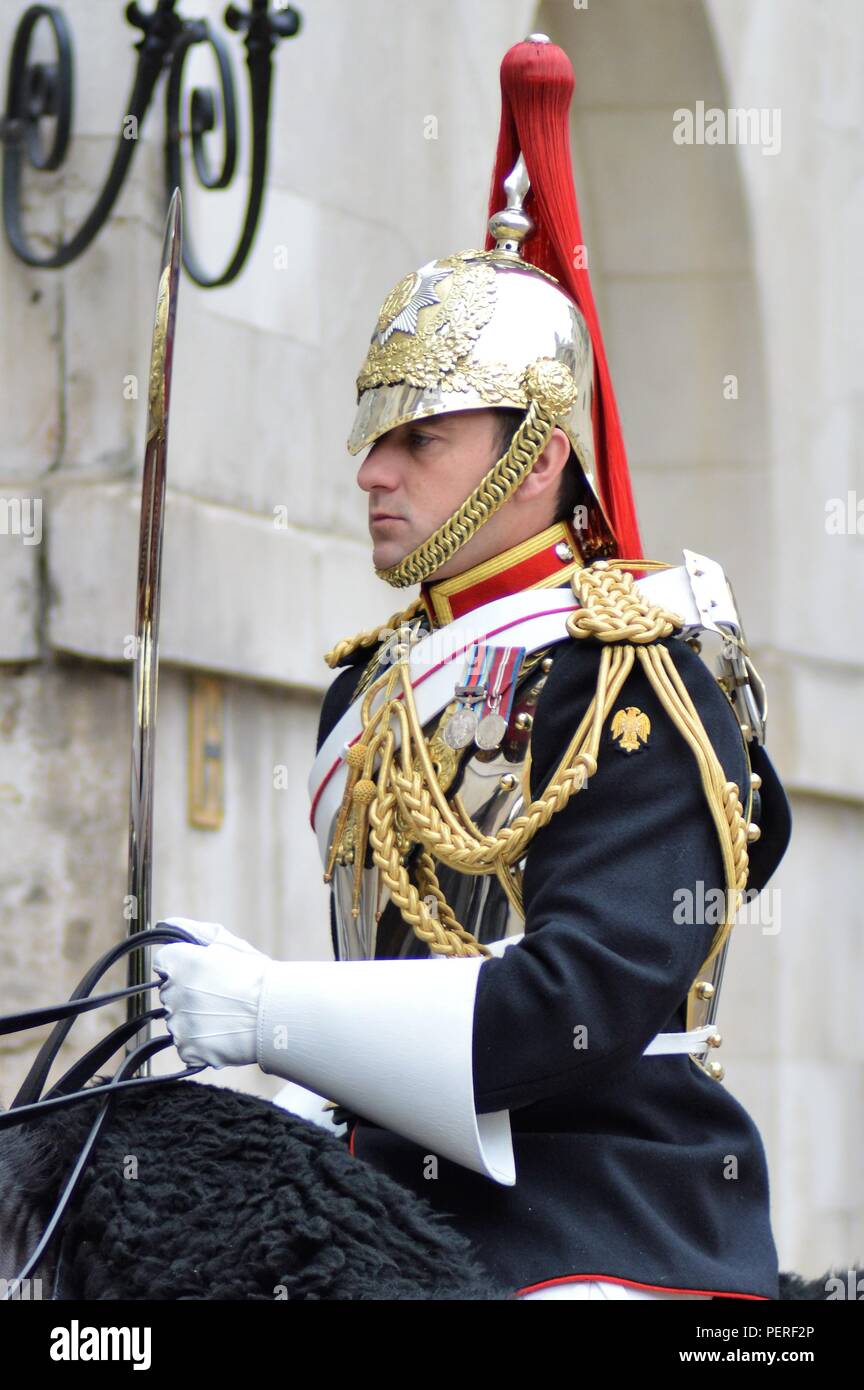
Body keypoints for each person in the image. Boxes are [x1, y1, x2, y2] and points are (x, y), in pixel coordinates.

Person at [154, 36, 791, 1301]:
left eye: (420, 438)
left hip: (602, 1217)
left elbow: (578, 1004)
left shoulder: (632, 678)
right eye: (371, 435)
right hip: (379, 1191)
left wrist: (274, 1010)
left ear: (536, 453)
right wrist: (251, 1065)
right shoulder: (375, 682)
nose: (371, 472)